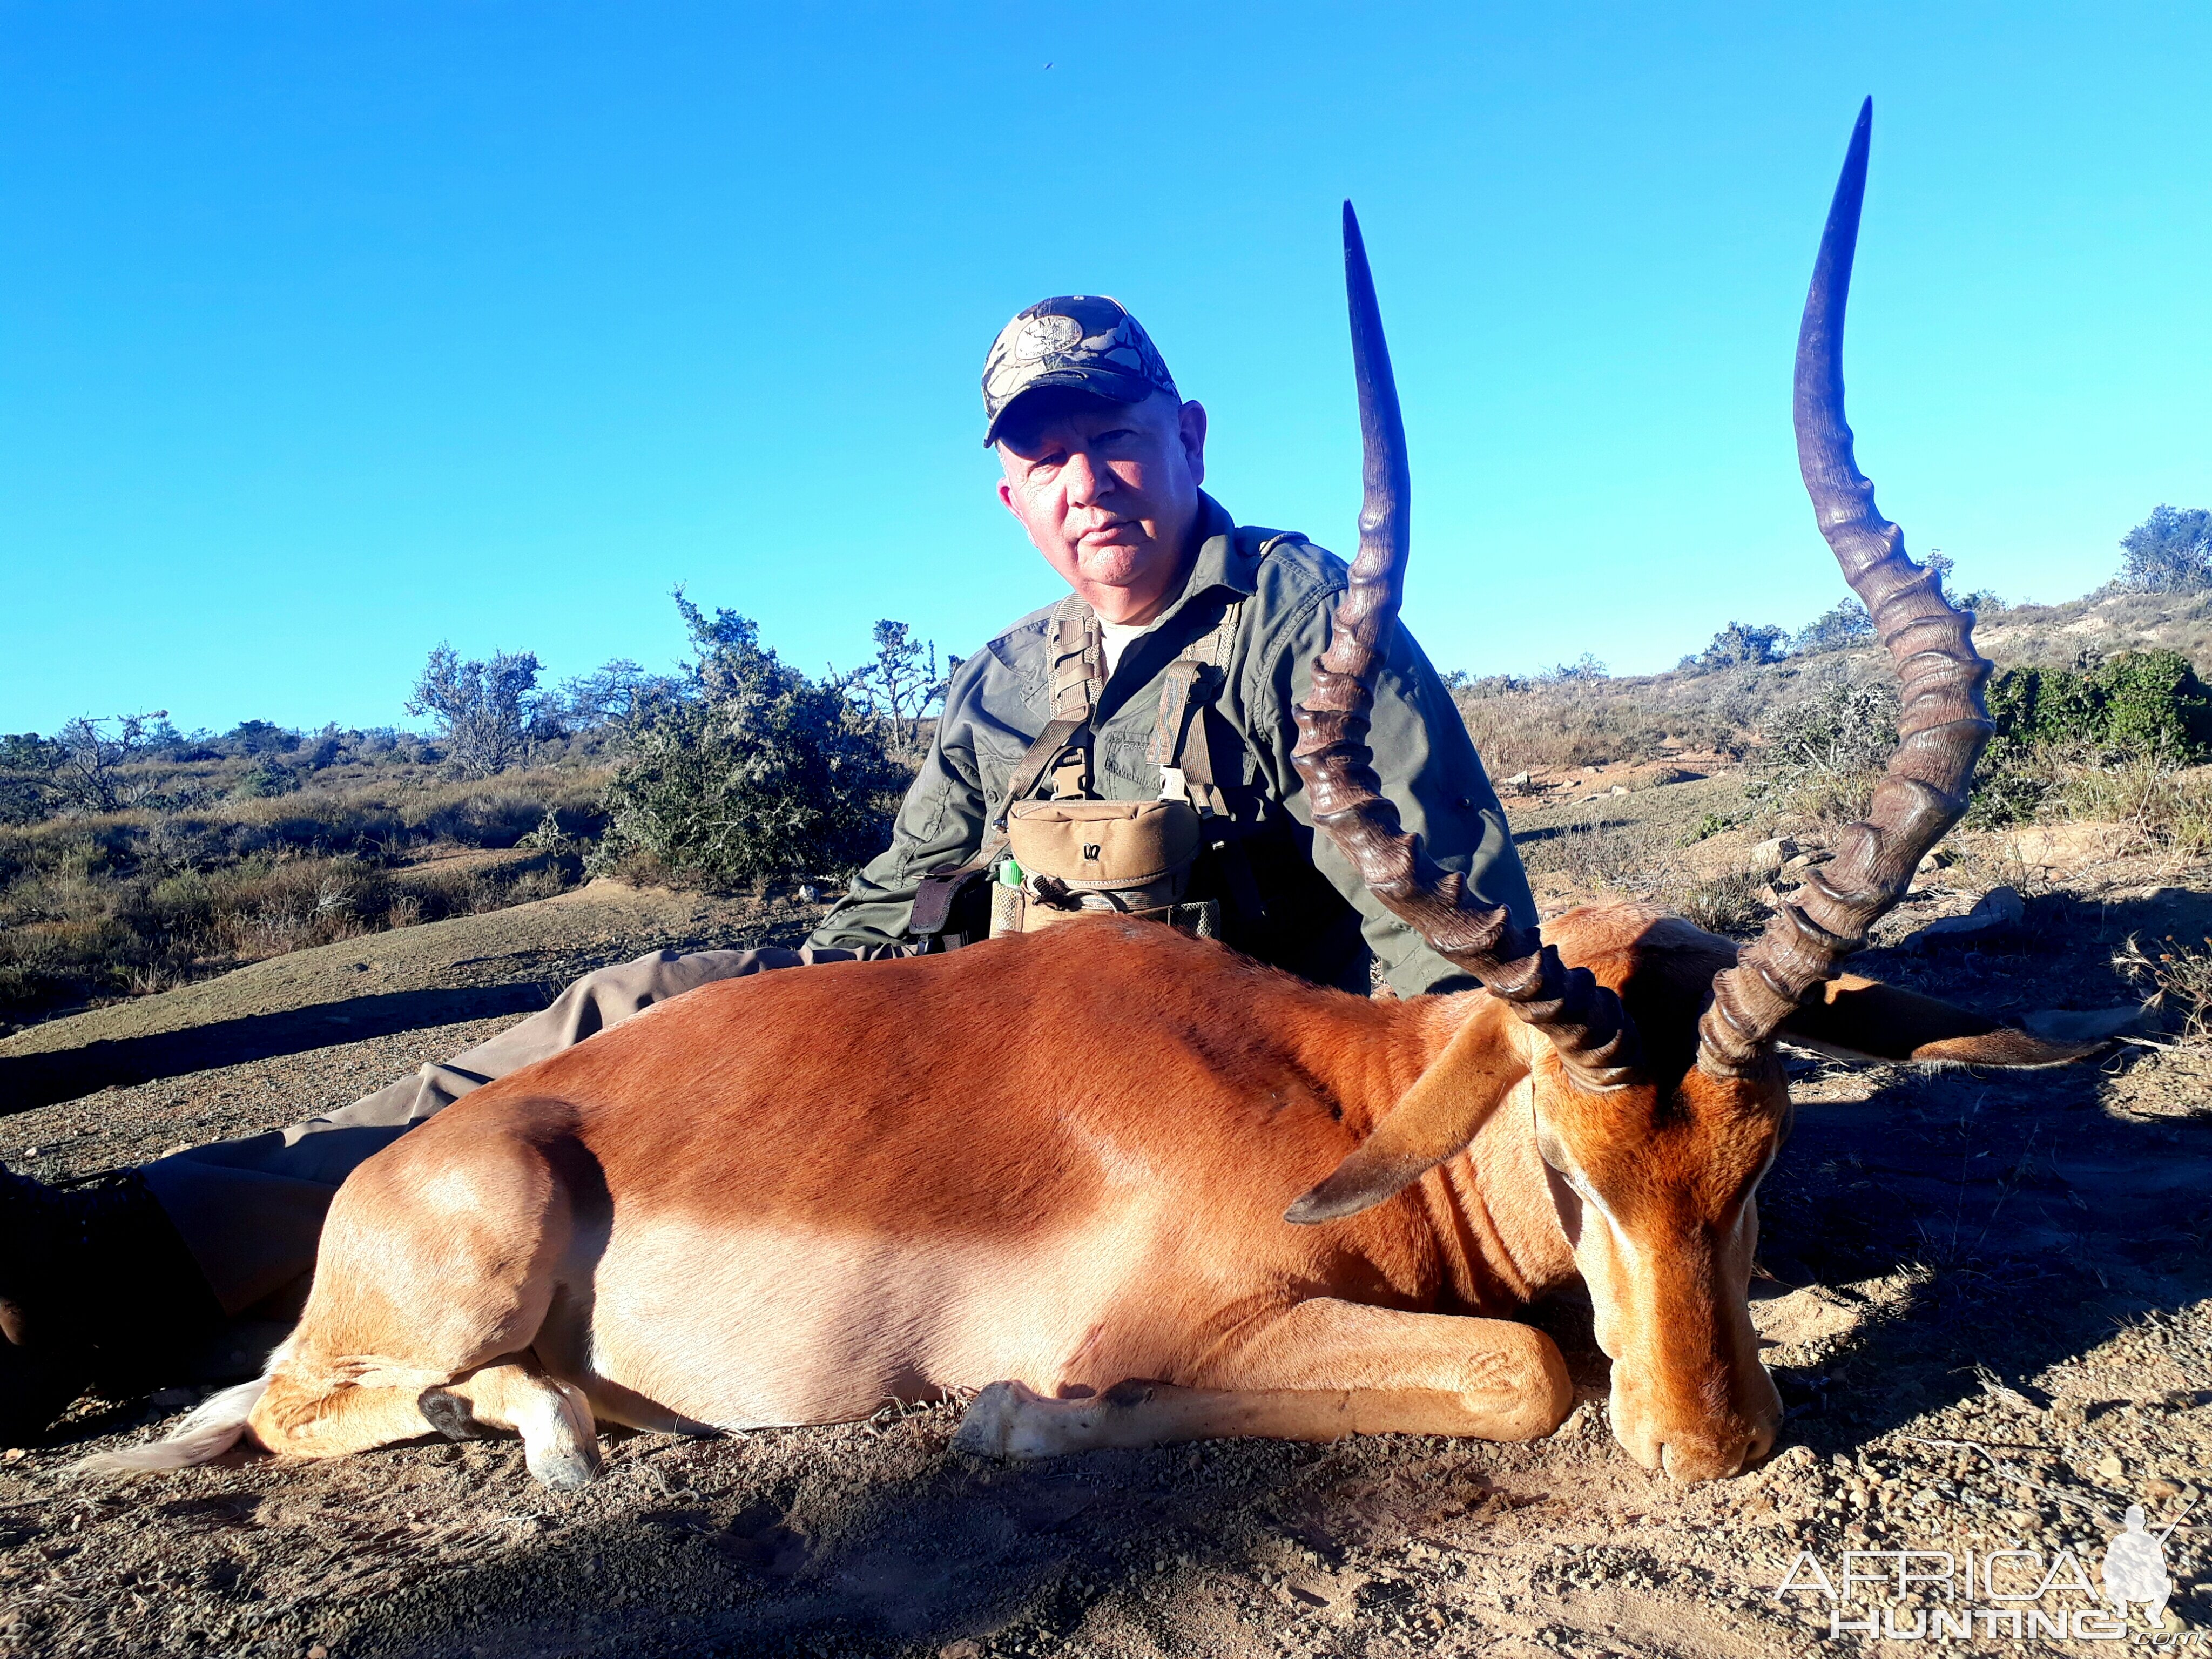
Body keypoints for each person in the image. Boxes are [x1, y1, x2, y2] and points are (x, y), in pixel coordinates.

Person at [0, 295, 1535, 1442]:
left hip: (1194, 1111)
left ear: (1187, 436)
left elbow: (1434, 940)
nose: (1088, 484)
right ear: (1012, 496)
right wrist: (767, 1023)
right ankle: (114, 1258)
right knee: (617, 1009)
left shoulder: (1309, 626)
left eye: (1116, 441)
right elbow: (904, 899)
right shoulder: (1013, 673)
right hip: (969, 1034)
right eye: (1047, 461)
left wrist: (1454, 1178)